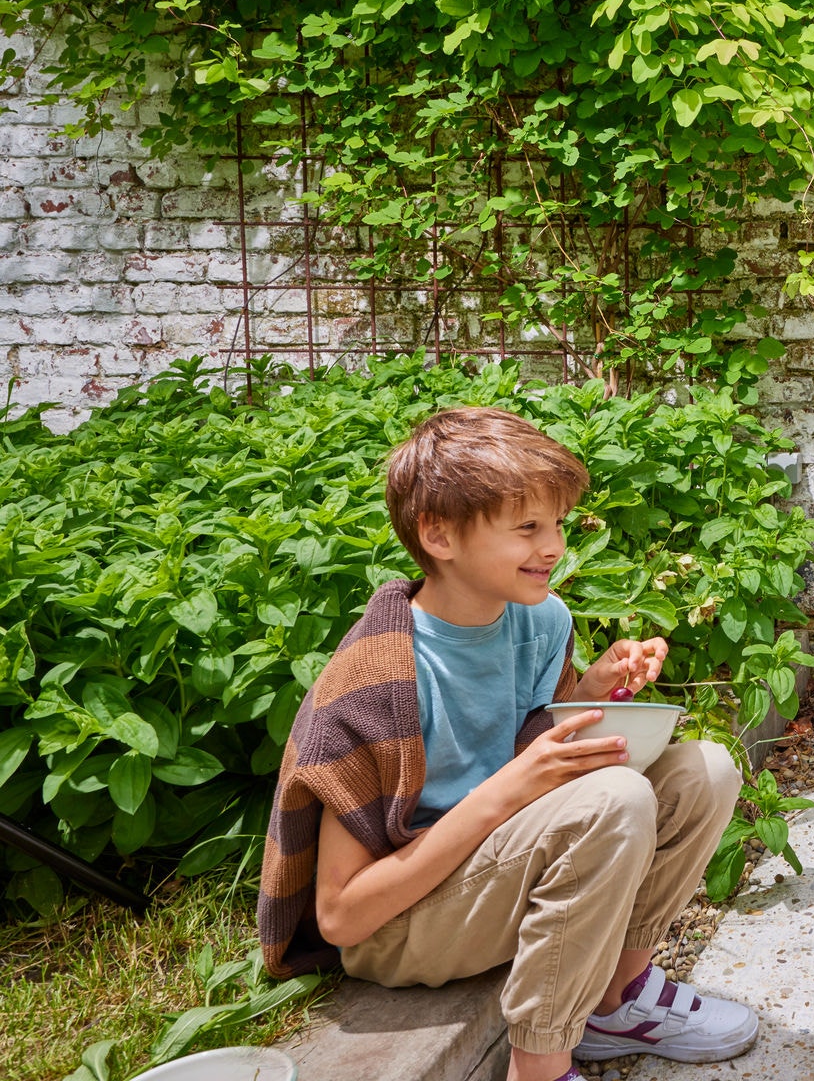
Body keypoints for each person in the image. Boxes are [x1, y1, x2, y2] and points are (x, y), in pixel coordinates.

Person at [258, 406, 754, 1080]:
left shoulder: (540, 621)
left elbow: (520, 742)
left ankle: (615, 999)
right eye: (527, 528)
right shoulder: (378, 680)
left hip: (493, 876)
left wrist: (593, 692)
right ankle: (539, 1067)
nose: (553, 547)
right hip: (400, 928)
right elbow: (345, 917)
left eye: (556, 525)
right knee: (616, 799)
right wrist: (511, 791)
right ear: (438, 535)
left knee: (706, 768)